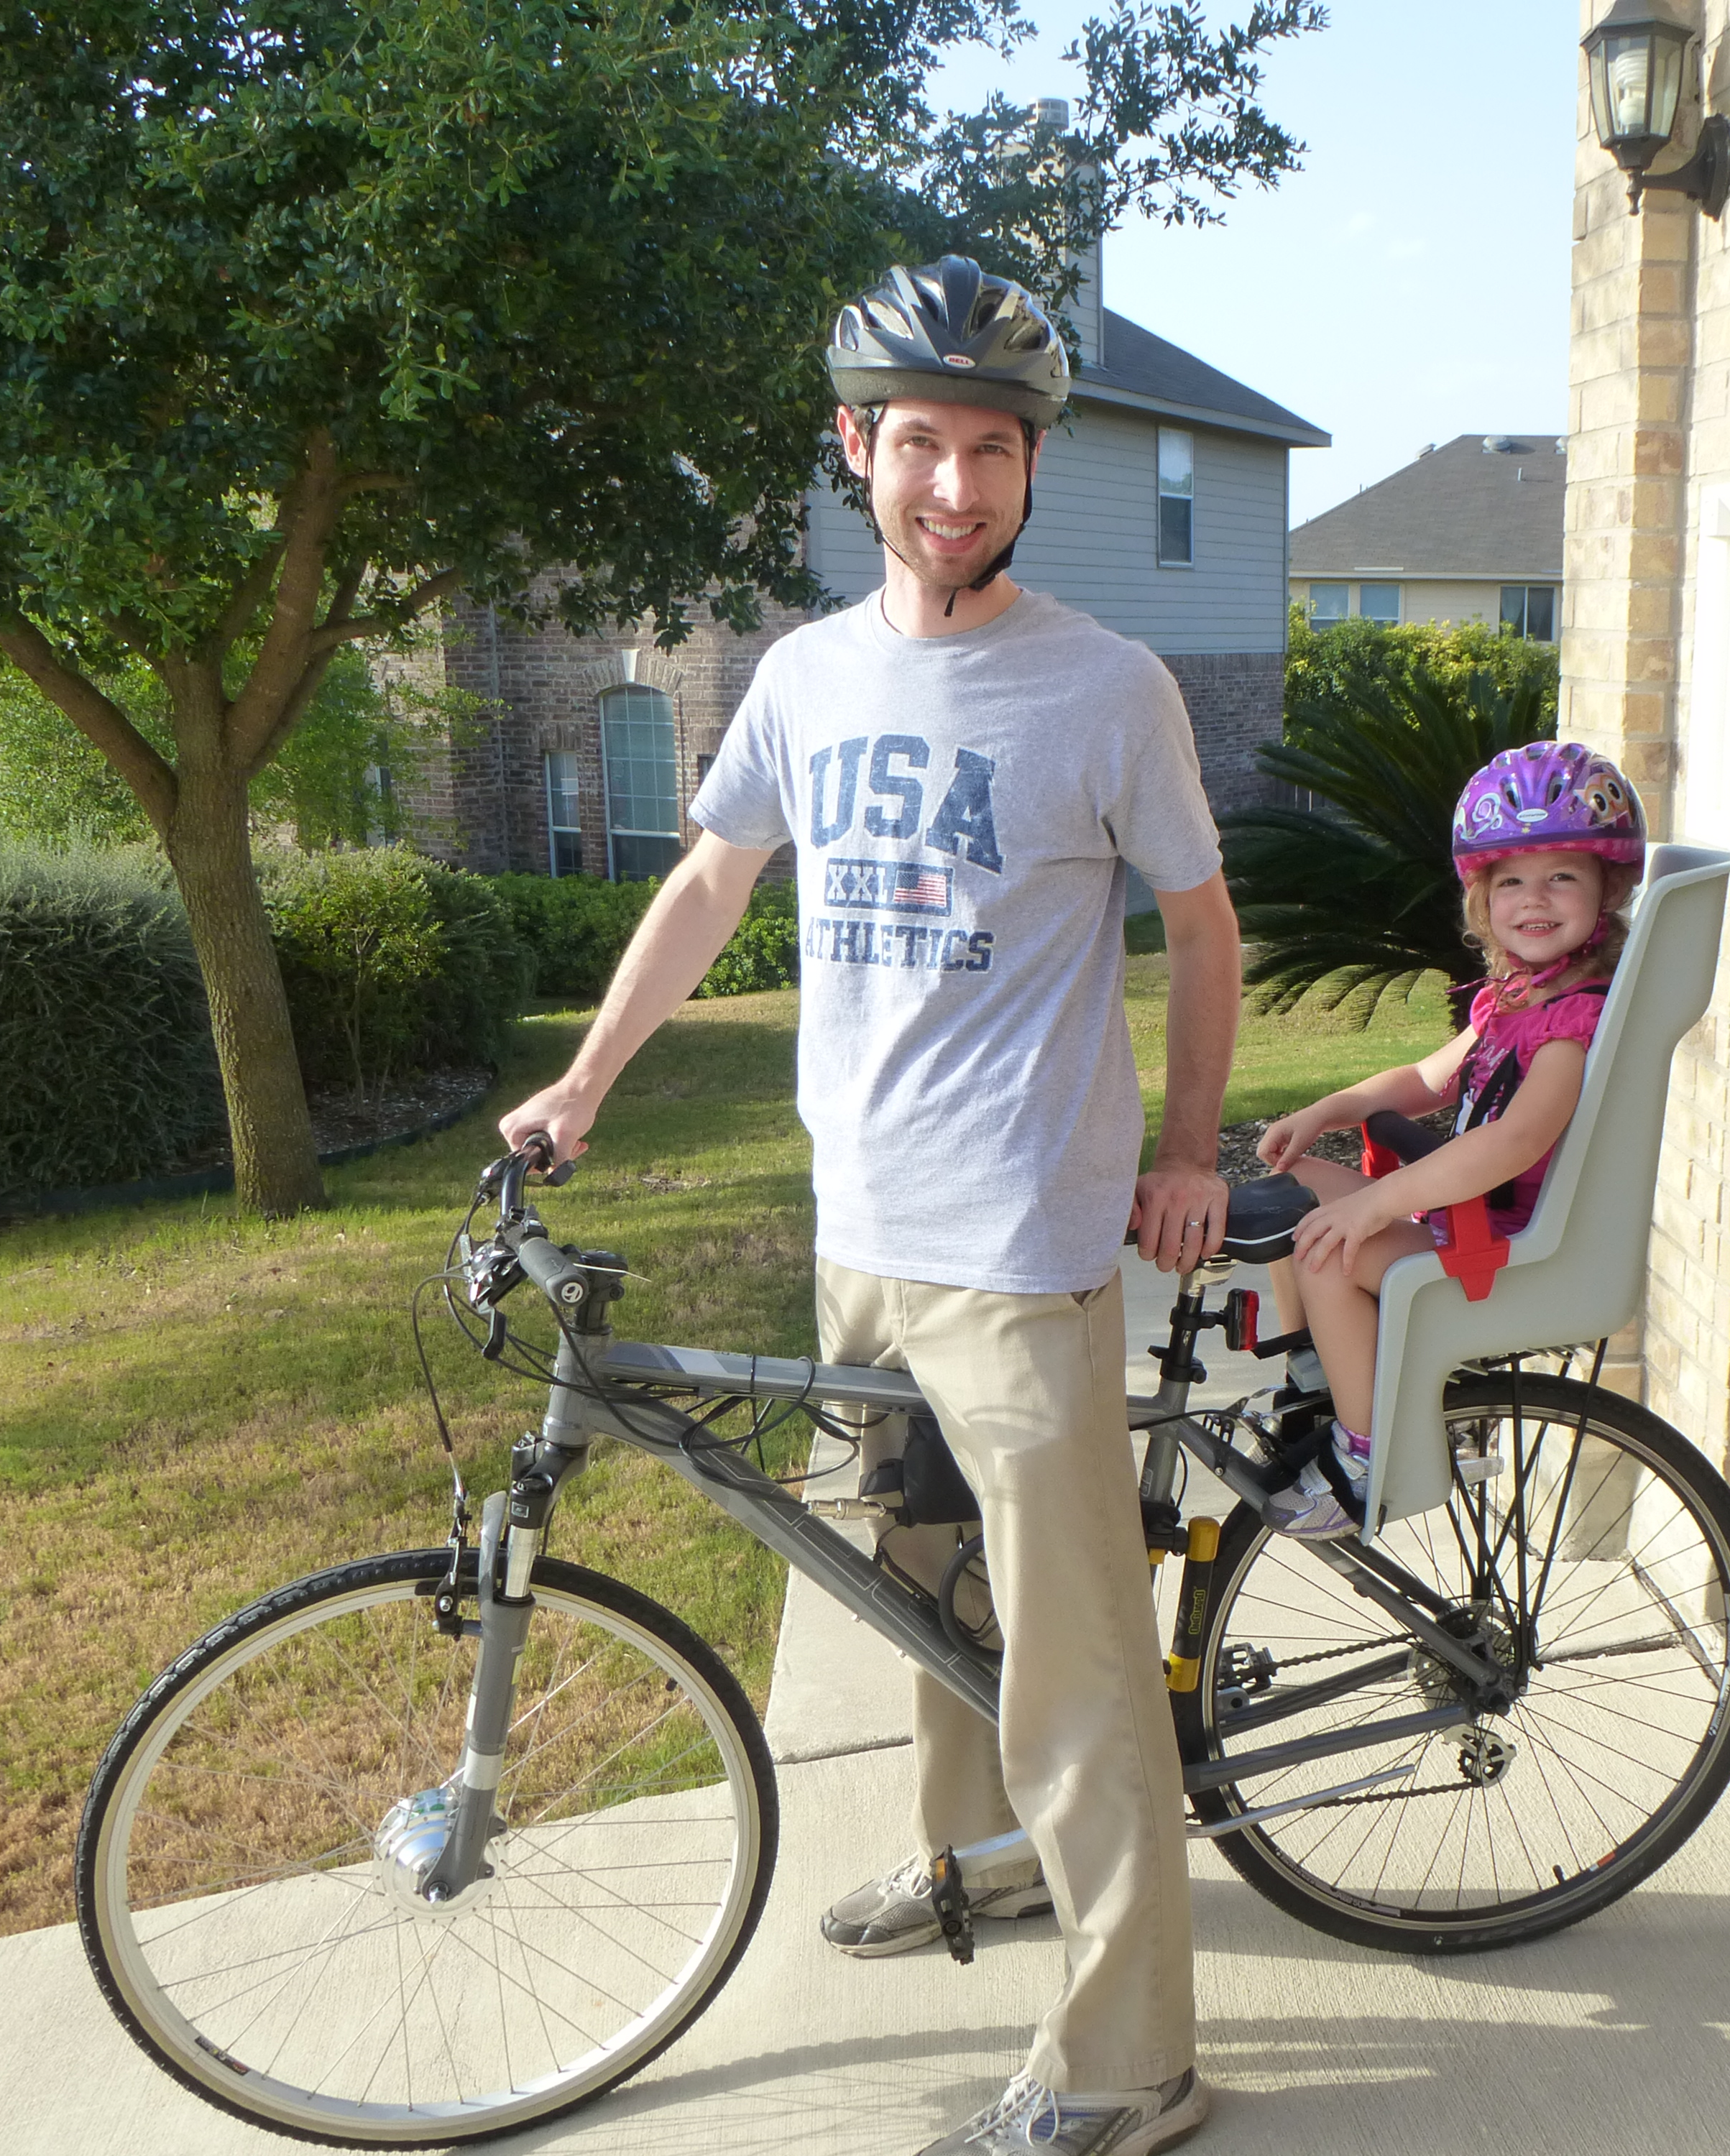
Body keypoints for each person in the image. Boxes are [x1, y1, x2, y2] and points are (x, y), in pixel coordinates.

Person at [496, 254, 1234, 2156]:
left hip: (1028, 1250)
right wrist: (585, 1077)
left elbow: (1204, 926)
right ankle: (973, 1864)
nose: (956, 486)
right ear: (857, 449)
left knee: (1074, 1666)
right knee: (916, 1601)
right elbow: (712, 888)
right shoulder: (805, 678)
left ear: (1028, 468)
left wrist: (1187, 1149)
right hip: (866, 1236)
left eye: (993, 449)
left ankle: (1131, 2061)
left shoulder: (1106, 685)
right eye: (921, 443)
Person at [1251, 742, 1644, 1537]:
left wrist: (1377, 1208)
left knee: (1325, 1243)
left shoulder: (1572, 1022)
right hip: (1469, 1232)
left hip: (1507, 1256)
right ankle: (1317, 1383)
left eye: (1560, 876)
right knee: (1301, 1192)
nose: (1533, 899)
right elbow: (1427, 1080)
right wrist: (1327, 1110)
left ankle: (1369, 1456)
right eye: (1510, 881)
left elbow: (1512, 1141)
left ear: (1607, 888)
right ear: (1482, 899)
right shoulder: (1517, 1000)